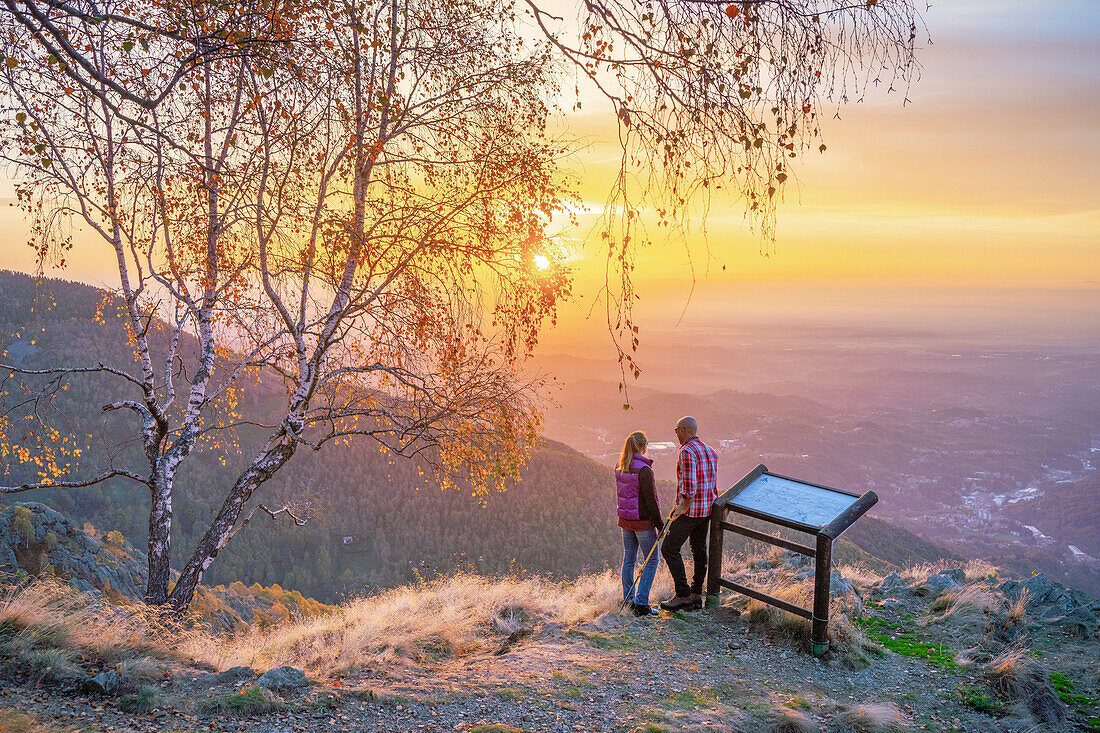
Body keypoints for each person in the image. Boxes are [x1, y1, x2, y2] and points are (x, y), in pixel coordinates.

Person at [659, 416, 719, 612]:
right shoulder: (711, 451)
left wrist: (683, 506)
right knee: (699, 549)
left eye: (676, 430)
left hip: (691, 511)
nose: (676, 434)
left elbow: (690, 484)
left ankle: (683, 595)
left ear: (683, 430)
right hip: (707, 510)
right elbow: (711, 483)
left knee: (669, 548)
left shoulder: (687, 451)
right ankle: (695, 594)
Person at [615, 431, 663, 617]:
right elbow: (650, 501)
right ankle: (642, 604)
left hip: (626, 521)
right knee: (651, 560)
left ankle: (628, 600)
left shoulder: (620, 466)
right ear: (644, 447)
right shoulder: (644, 470)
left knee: (629, 558)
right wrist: (659, 524)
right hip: (643, 523)